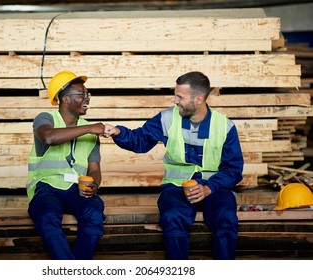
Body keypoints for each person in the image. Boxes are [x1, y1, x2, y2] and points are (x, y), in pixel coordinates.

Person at [104, 71, 244, 260]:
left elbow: (233, 169)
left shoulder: (224, 126)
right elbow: (140, 141)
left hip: (214, 188)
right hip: (177, 188)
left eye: (180, 96)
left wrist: (209, 188)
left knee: (226, 217)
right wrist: (118, 132)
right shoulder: (167, 118)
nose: (175, 100)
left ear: (199, 99)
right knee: (172, 218)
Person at [26, 70, 105, 260]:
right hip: (46, 187)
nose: (87, 99)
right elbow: (49, 137)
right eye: (81, 95)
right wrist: (88, 128)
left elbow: (94, 169)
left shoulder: (91, 131)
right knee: (46, 217)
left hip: (77, 189)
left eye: (87, 95)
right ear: (65, 99)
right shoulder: (46, 119)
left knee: (95, 214)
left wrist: (94, 184)